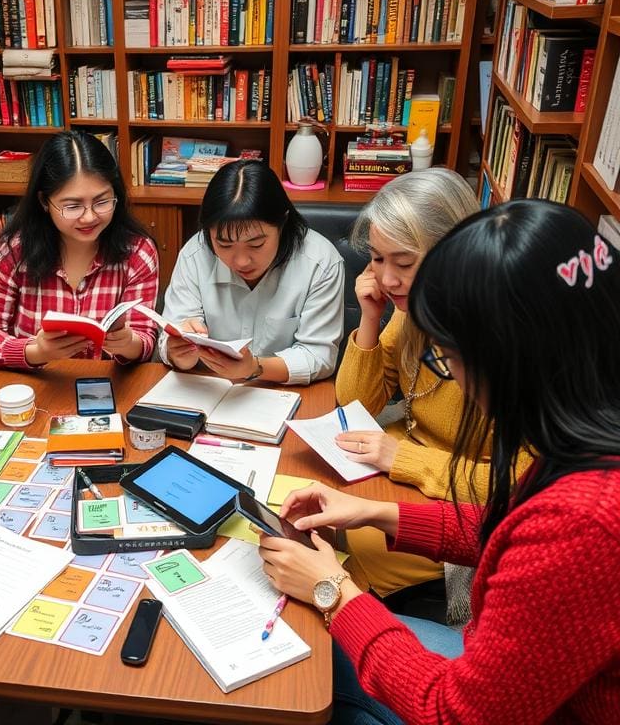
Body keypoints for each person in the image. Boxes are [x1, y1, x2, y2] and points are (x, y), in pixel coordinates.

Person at [259, 201, 620, 724]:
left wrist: (332, 591)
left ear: (510, 354)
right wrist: (372, 513)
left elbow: (452, 714)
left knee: (298, 660)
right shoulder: (587, 430)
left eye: (448, 357)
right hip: (518, 689)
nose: (451, 374)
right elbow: (507, 530)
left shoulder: (584, 520)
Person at [333, 169, 534, 600]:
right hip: (395, 472)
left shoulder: (506, 339)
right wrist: (369, 318)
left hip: (447, 504)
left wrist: (405, 460)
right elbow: (353, 403)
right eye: (377, 258)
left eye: (404, 263)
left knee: (335, 553)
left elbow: (524, 480)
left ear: (455, 253)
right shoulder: (412, 307)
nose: (387, 279)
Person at [0, 131, 159, 368]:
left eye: (102, 202)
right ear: (44, 202)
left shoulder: (138, 252)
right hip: (35, 388)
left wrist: (129, 343)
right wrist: (36, 351)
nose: (89, 217)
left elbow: (146, 338)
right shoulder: (13, 251)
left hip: (105, 387)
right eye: (72, 206)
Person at [159, 159, 343, 384]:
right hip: (209, 390)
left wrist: (255, 367)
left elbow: (320, 356)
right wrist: (178, 352)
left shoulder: (320, 262)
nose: (241, 261)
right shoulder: (195, 254)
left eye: (256, 244)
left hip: (283, 393)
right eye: (224, 245)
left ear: (282, 223)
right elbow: (172, 334)